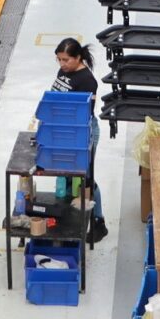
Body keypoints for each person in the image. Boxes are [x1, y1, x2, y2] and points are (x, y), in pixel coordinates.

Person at [52, 39, 107, 244]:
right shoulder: (64, 72)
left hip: (83, 132)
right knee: (67, 176)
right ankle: (69, 220)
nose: (62, 64)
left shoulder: (87, 81)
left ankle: (99, 222)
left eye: (66, 60)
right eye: (59, 59)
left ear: (78, 58)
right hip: (65, 131)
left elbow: (83, 113)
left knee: (86, 178)